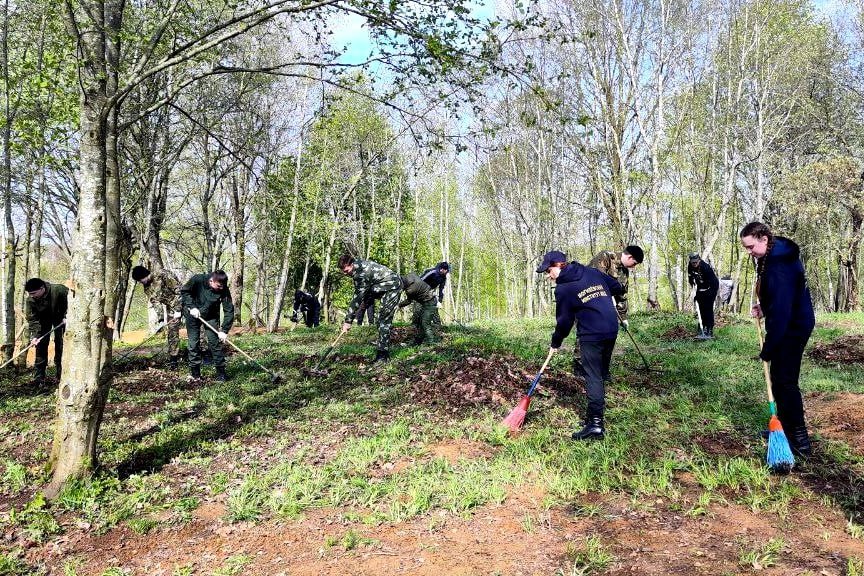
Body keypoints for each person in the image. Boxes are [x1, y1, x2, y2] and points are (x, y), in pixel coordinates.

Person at [740, 221, 815, 457]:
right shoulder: (773, 253)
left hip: (793, 326)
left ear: (764, 239)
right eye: (746, 248)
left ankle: (800, 440)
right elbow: (781, 298)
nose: (749, 252)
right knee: (779, 378)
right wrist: (764, 307)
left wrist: (769, 348)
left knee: (785, 381)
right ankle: (781, 428)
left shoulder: (778, 265)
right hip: (788, 320)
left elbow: (783, 311)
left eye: (751, 247)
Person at [537, 251, 624, 441]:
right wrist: (600, 295)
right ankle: (594, 414)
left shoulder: (563, 289)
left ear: (558, 266)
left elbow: (564, 322)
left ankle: (595, 425)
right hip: (611, 328)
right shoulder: (590, 272)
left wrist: (556, 342)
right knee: (600, 374)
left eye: (548, 271)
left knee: (593, 377)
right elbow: (617, 287)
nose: (548, 276)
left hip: (592, 333)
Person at [338, 254, 402, 364]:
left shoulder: (361, 273)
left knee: (383, 321)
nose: (345, 273)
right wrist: (366, 302)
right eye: (343, 271)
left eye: (346, 270)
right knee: (380, 321)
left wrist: (348, 321)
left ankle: (383, 356)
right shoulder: (358, 267)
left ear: (351, 264)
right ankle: (383, 349)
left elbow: (357, 298)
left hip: (392, 286)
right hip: (382, 286)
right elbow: (367, 289)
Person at [180, 270, 235, 381]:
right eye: (218, 286)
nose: (221, 288)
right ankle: (195, 374)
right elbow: (185, 292)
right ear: (211, 281)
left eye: (223, 286)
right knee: (193, 343)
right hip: (192, 314)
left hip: (211, 316)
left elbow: (229, 310)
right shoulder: (197, 279)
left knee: (215, 343)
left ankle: (221, 373)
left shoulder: (223, 288)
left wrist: (224, 330)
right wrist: (192, 307)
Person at [131, 265, 183, 368]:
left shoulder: (162, 274)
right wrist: (161, 319)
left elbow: (179, 291)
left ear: (145, 275)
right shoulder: (147, 288)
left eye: (141, 279)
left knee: (196, 327)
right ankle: (174, 359)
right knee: (172, 332)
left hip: (186, 303)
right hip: (171, 308)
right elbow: (155, 303)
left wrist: (178, 309)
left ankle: (204, 353)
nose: (141, 282)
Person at [24, 278, 68, 385]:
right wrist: (35, 336)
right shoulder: (31, 300)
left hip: (61, 319)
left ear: (42, 288)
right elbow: (33, 319)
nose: (31, 296)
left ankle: (61, 375)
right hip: (43, 321)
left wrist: (67, 316)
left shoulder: (60, 290)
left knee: (61, 343)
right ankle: (39, 378)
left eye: (34, 293)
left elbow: (73, 303)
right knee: (40, 345)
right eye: (30, 294)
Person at [588, 245, 643, 321]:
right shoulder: (606, 256)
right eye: (634, 263)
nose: (633, 267)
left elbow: (622, 295)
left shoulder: (624, 271)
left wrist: (623, 318)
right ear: (630, 257)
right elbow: (596, 281)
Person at [398, 274, 439, 345]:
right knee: (421, 323)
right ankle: (417, 341)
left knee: (425, 323)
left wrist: (399, 305)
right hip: (427, 302)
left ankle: (431, 342)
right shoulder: (412, 275)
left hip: (430, 303)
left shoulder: (410, 290)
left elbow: (408, 301)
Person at [688, 253, 720, 339]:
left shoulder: (705, 268)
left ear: (699, 260)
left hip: (712, 286)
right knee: (701, 307)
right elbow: (691, 279)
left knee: (708, 307)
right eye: (693, 262)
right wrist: (694, 290)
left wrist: (706, 294)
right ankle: (701, 328)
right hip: (701, 286)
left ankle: (709, 329)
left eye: (696, 262)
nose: (694, 264)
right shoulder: (690, 266)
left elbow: (711, 283)